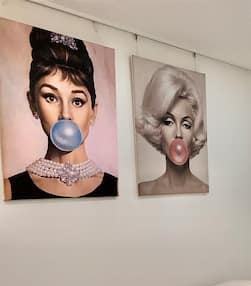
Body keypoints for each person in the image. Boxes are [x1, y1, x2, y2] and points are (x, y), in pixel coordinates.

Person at [3, 27, 118, 200]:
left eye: (77, 101)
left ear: (93, 112)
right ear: (33, 104)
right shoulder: (9, 190)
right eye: (51, 98)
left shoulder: (117, 187)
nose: (65, 114)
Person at [135, 65, 208, 195]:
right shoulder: (144, 190)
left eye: (186, 125)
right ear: (157, 128)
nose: (178, 134)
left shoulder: (203, 189)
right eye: (169, 122)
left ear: (194, 132)